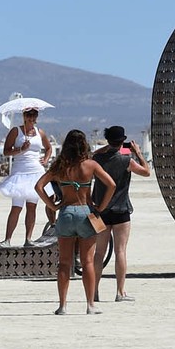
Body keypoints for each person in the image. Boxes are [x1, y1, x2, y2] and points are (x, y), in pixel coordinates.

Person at [35, 130, 117, 315]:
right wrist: (101, 207)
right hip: (86, 212)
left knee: (64, 263)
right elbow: (111, 185)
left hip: (66, 213)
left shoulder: (60, 166)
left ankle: (63, 305)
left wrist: (53, 206)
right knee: (88, 262)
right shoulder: (91, 165)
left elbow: (39, 186)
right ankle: (90, 305)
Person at [91, 126, 150, 303]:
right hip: (121, 210)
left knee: (98, 253)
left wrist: (110, 147)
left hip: (99, 210)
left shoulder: (98, 158)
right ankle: (120, 291)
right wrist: (138, 153)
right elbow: (146, 172)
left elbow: (101, 152)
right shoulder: (126, 160)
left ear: (108, 140)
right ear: (121, 141)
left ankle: (94, 291)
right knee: (120, 251)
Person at [0, 108, 55, 248]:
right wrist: (21, 149)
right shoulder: (16, 131)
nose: (31, 118)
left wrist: (46, 159)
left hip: (36, 172)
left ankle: (28, 239)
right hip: (20, 173)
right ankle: (7, 239)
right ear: (23, 116)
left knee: (32, 207)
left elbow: (48, 148)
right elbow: (6, 151)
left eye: (34, 115)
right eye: (29, 115)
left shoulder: (40, 132)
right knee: (16, 207)